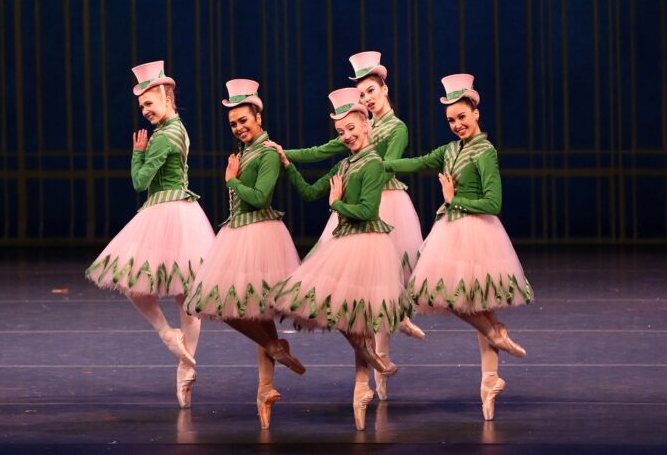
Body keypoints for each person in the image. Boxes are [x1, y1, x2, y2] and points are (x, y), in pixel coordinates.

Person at [384, 74, 533, 421]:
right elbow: (418, 163)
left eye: (462, 117)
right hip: (451, 231)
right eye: (451, 120)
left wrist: (455, 200)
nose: (457, 125)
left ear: (476, 113)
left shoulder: (485, 151)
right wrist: (380, 161)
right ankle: (496, 339)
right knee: (455, 299)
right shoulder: (449, 150)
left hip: (478, 232)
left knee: (465, 299)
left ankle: (490, 376)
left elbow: (493, 202)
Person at [280, 51, 425, 400]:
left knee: (386, 271)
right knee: (351, 284)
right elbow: (320, 151)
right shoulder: (356, 125)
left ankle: (397, 317)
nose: (366, 99)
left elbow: (389, 165)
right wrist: (283, 154)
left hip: (384, 201)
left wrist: (362, 168)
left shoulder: (395, 127)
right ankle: (371, 365)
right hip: (351, 198)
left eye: (371, 91)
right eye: (361, 95)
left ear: (384, 89)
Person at [85, 60, 215, 408]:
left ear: (167, 96)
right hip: (183, 212)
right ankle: (185, 366)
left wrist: (136, 154)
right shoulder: (180, 129)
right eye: (141, 106)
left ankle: (170, 339)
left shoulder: (162, 138)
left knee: (134, 282)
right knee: (186, 295)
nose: (145, 111)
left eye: (149, 104)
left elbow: (140, 183)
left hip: (164, 210)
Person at [184, 79, 305, 429]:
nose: (238, 127)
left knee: (223, 305)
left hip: (260, 234)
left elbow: (260, 196)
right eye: (233, 123)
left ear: (258, 117)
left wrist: (231, 181)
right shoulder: (246, 152)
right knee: (253, 309)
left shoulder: (266, 153)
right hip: (238, 232)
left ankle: (272, 348)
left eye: (243, 120)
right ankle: (267, 383)